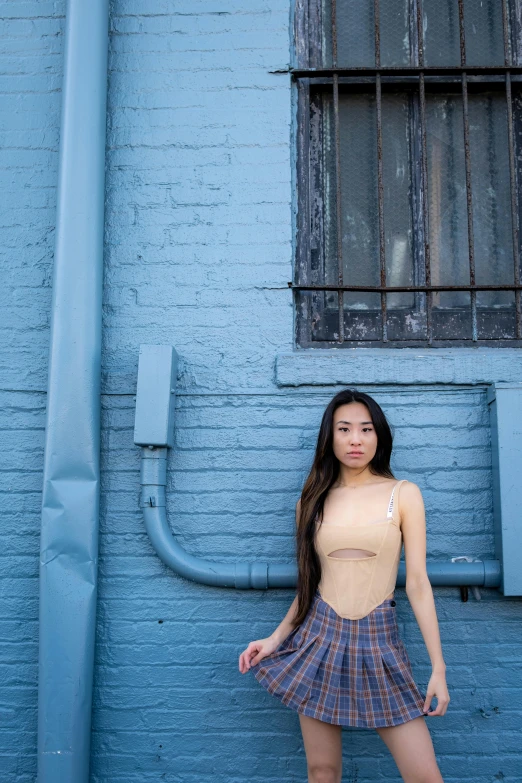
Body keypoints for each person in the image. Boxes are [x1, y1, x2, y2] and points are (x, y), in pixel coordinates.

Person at [238, 388, 449, 783]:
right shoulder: (311, 499)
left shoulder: (402, 494)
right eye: (345, 429)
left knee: (424, 775)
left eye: (366, 429)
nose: (356, 439)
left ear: (379, 436)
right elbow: (308, 585)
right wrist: (274, 639)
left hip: (379, 640)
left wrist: (438, 667)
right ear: (330, 437)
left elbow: (418, 583)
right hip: (319, 638)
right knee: (322, 771)